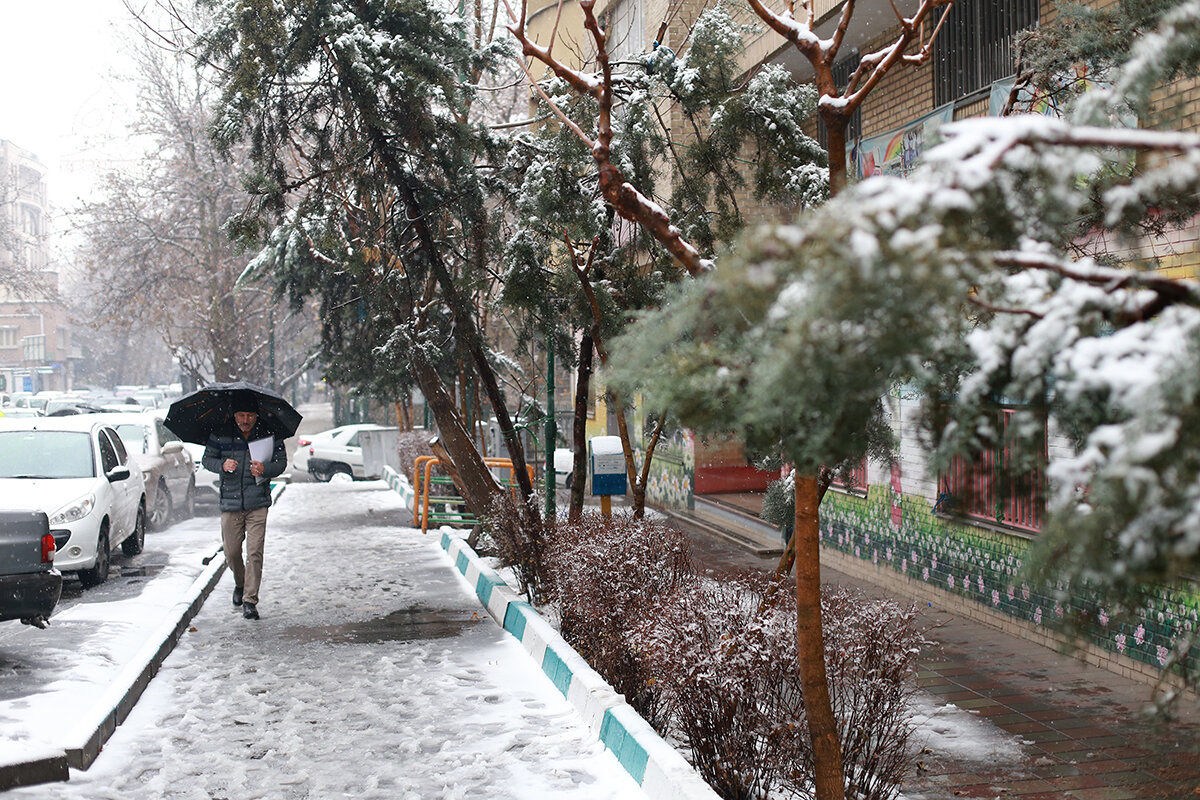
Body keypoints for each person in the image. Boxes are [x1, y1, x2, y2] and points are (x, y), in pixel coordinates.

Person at [202, 392, 288, 620]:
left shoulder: (268, 433)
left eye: (249, 415)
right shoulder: (221, 432)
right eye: (241, 415)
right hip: (230, 503)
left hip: (257, 502)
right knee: (231, 553)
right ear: (234, 415)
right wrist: (222, 464)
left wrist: (265, 469)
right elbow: (206, 459)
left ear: (256, 415)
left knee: (254, 552)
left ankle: (250, 600)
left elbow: (281, 463)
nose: (245, 420)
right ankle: (240, 584)